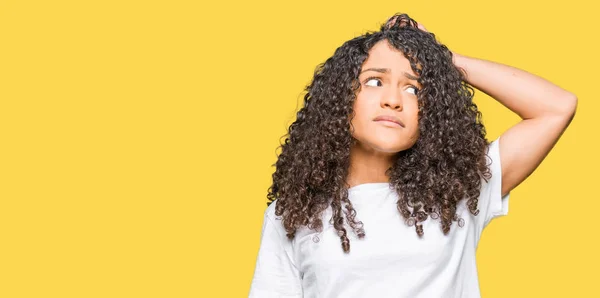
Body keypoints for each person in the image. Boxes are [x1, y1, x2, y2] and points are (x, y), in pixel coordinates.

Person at [248, 13, 577, 298]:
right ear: (341, 98)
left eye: (414, 88)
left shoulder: (457, 191)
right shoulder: (292, 212)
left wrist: (441, 59)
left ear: (430, 112)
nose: (393, 100)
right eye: (375, 81)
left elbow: (555, 107)